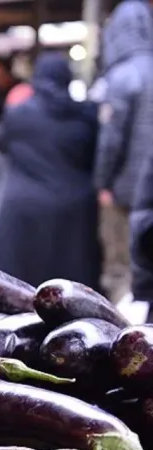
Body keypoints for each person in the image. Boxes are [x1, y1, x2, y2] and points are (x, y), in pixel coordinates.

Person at [0, 52, 101, 289]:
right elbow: (96, 158)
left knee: (18, 293)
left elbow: (0, 142)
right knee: (72, 296)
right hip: (74, 214)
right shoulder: (86, 116)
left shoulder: (17, 114)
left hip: (24, 212)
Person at [96, 0, 153, 304]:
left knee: (120, 271)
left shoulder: (121, 77)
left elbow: (111, 140)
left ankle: (123, 341)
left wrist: (103, 183)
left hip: (121, 192)